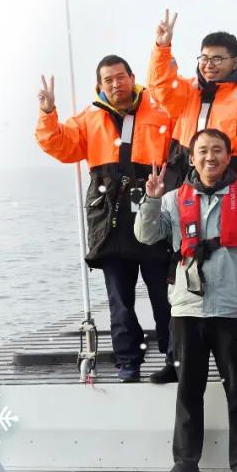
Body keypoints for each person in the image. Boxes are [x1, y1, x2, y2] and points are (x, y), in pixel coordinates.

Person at [146, 9, 237, 383]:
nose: (209, 65)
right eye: (204, 58)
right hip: (185, 189)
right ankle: (177, 358)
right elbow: (160, 89)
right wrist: (162, 47)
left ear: (235, 62)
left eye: (218, 58)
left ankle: (235, 355)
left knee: (231, 267)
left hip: (230, 195)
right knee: (178, 266)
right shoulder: (188, 92)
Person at [135, 128, 237, 472]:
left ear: (229, 156)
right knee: (188, 389)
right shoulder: (172, 199)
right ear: (191, 158)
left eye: (218, 150)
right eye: (203, 151)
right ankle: (186, 462)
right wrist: (150, 200)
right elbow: (147, 235)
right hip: (187, 309)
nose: (211, 157)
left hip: (231, 309)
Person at [35, 56, 174, 383]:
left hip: (152, 211)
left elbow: (180, 154)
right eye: (108, 80)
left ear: (132, 78)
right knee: (119, 301)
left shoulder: (160, 112)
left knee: (164, 296)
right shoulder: (89, 117)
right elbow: (60, 146)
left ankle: (175, 357)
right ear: (99, 85)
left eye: (120, 77)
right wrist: (47, 113)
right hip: (110, 220)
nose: (116, 84)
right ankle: (129, 361)